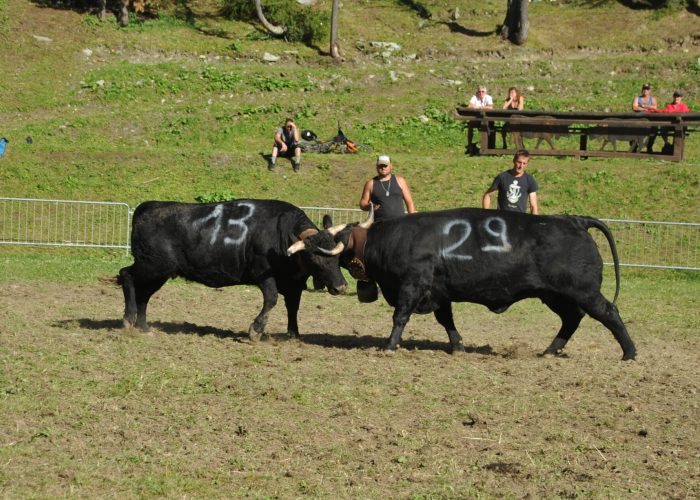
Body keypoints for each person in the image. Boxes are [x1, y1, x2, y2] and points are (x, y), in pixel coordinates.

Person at [359, 155, 416, 220]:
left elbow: (409, 202)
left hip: (399, 224)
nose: (383, 168)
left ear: (391, 166)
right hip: (380, 225)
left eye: (385, 165)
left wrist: (412, 221)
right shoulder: (370, 183)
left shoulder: (400, 181)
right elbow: (362, 203)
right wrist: (370, 206)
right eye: (380, 166)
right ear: (377, 167)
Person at [482, 149, 539, 214]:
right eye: (519, 162)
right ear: (514, 161)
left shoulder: (529, 179)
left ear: (527, 164)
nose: (521, 166)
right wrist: (485, 214)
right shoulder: (502, 177)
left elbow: (533, 205)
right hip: (503, 217)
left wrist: (535, 221)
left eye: (524, 163)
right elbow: (488, 195)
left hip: (519, 218)